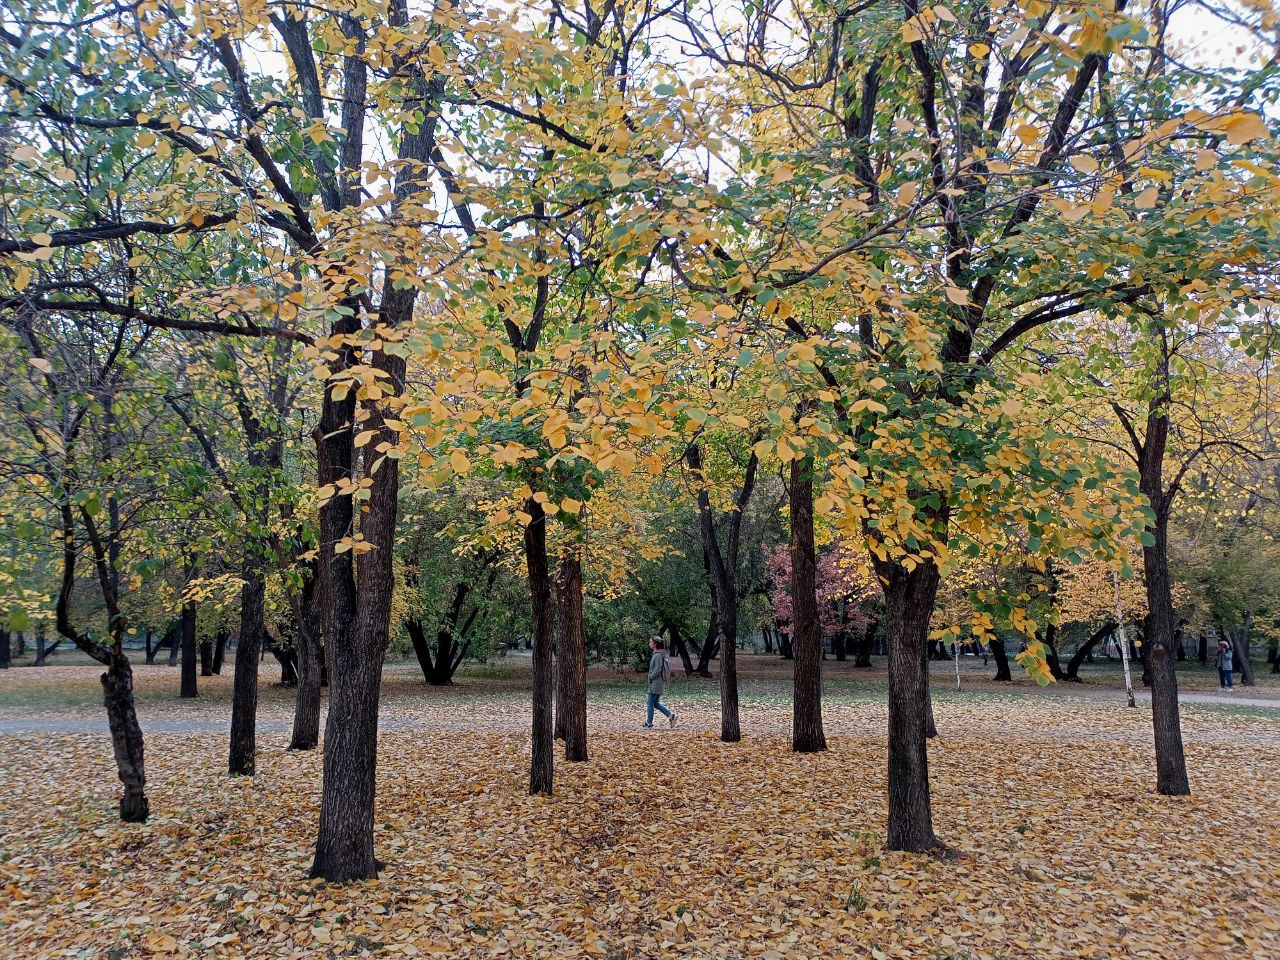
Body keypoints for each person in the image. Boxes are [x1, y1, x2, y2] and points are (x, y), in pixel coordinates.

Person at [644, 636, 677, 729]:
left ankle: (649, 722)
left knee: (650, 702)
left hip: (656, 682)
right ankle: (671, 716)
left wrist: (650, 676)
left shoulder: (658, 655)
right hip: (658, 682)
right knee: (655, 703)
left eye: (651, 642)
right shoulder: (658, 654)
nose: (649, 644)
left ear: (655, 644)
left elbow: (657, 669)